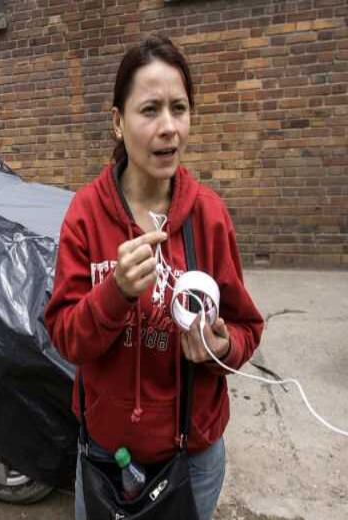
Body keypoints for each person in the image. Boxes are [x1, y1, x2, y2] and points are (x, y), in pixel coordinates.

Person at [44, 35, 264, 520]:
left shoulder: (208, 217)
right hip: (104, 458)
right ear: (118, 122)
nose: (169, 128)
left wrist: (219, 348)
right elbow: (65, 338)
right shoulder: (85, 214)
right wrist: (116, 292)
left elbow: (247, 329)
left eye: (179, 108)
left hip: (193, 459)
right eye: (149, 111)